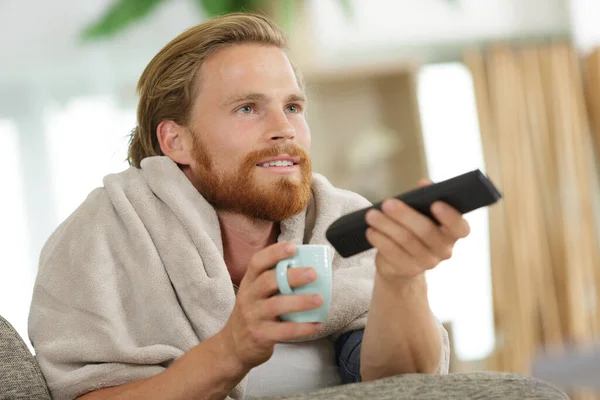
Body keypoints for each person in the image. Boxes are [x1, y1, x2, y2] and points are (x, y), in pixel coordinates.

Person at [28, 13, 470, 400]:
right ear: (175, 140)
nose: (284, 129)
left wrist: (402, 279)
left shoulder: (344, 221)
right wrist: (232, 349)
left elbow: (410, 387)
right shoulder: (103, 237)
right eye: (247, 108)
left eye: (293, 106)